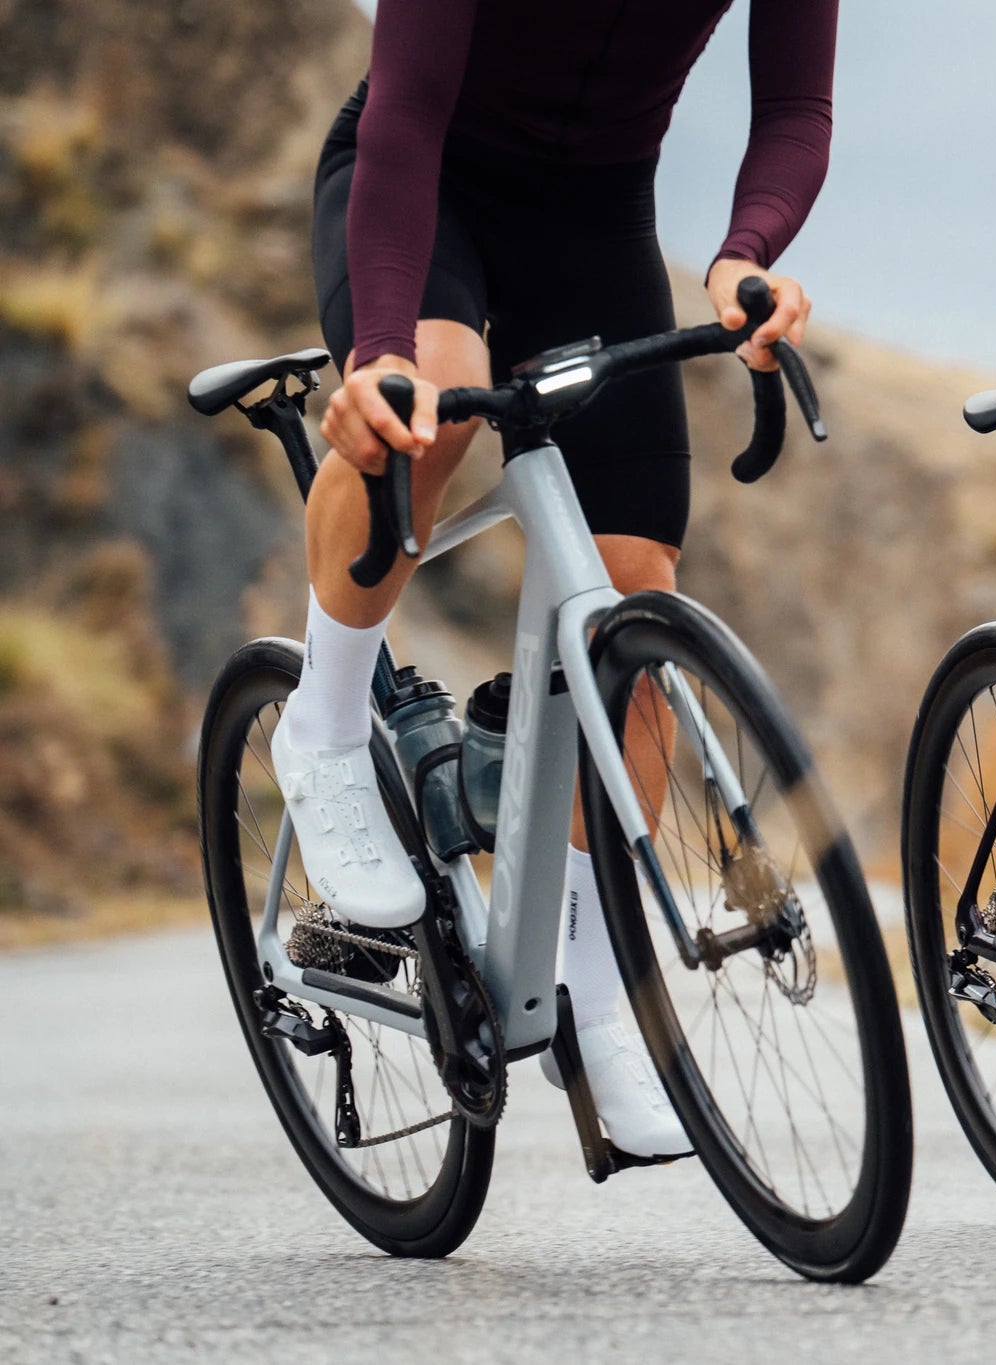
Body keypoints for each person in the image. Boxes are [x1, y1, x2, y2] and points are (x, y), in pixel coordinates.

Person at [274, 0, 838, 1157]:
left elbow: (795, 108)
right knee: (426, 411)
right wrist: (378, 356)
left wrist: (745, 252)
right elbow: (405, 115)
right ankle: (321, 730)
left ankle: (592, 997)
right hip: (426, 182)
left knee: (633, 605)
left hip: (594, 223)